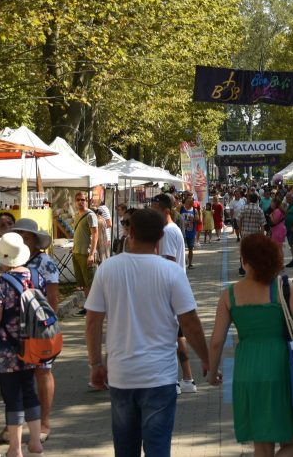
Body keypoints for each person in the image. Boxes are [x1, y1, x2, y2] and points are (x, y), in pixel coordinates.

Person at [86, 209, 210, 457]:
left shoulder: (107, 269)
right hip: (159, 377)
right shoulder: (171, 271)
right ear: (161, 236)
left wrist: (96, 363)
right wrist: (207, 359)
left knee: (125, 449)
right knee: (158, 447)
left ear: (129, 232)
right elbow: (191, 322)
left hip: (121, 376)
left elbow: (92, 322)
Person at [206, 233, 293, 457]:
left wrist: (212, 372)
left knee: (262, 446)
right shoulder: (282, 286)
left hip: (247, 370)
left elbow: (216, 342)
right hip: (282, 368)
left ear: (245, 261)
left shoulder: (230, 295)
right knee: (292, 441)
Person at [0, 232, 46, 457]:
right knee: (29, 391)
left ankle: (15, 448)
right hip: (33, 346)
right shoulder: (36, 277)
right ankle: (36, 444)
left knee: (12, 397)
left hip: (4, 349)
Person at [9, 218, 60, 444]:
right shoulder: (10, 260)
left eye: (26, 236)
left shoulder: (44, 262)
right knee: (15, 376)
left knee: (42, 372)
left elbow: (54, 297)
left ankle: (45, 422)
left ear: (35, 240)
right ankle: (13, 426)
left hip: (38, 326)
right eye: (18, 235)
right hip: (13, 327)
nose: (22, 239)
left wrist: (49, 326)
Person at [150, 194, 196, 394]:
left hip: (168, 292)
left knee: (168, 337)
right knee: (177, 337)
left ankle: (174, 380)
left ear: (165, 211)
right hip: (174, 290)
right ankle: (187, 379)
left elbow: (166, 263)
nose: (152, 214)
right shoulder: (172, 229)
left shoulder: (167, 232)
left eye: (154, 210)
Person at [72, 191, 99, 315]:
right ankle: (89, 306)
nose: (80, 202)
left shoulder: (90, 215)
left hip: (86, 254)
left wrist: (92, 254)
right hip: (77, 252)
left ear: (86, 201)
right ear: (75, 202)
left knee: (90, 282)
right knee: (83, 283)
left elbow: (95, 234)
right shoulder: (77, 215)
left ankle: (94, 308)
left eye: (82, 199)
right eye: (78, 200)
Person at [178, 193, 198, 269]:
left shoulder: (194, 210)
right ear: (185, 201)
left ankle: (190, 263)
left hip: (191, 232)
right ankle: (182, 261)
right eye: (189, 200)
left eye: (192, 200)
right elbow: (175, 215)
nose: (190, 201)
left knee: (190, 248)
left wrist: (194, 219)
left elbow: (198, 220)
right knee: (181, 248)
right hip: (182, 232)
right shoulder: (181, 208)